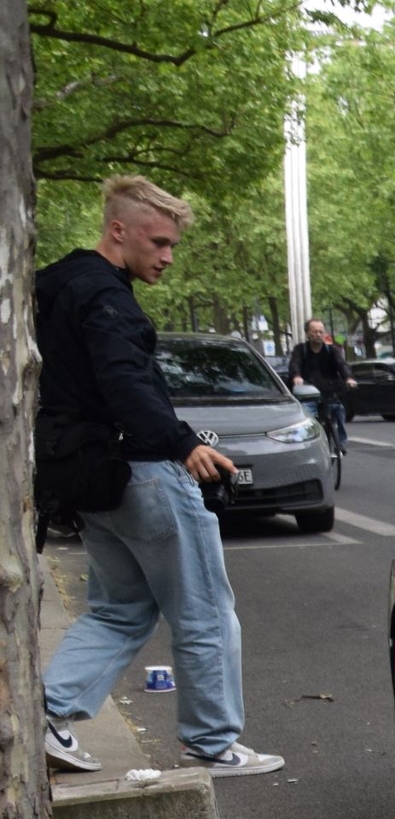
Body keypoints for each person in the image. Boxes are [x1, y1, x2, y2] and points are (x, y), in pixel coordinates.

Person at [33, 176, 283, 776]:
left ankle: (47, 712)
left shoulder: (49, 284)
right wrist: (182, 442)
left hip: (87, 477)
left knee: (121, 610)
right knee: (202, 610)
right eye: (160, 242)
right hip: (141, 470)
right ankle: (213, 742)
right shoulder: (108, 299)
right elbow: (125, 381)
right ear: (119, 230)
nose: (168, 257)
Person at [287, 318, 351, 453]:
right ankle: (304, 446)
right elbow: (295, 364)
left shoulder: (332, 350)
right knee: (306, 418)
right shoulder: (301, 350)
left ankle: (340, 443)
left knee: (339, 411)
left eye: (321, 331)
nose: (318, 334)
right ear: (307, 333)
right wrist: (297, 376)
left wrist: (348, 378)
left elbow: (341, 365)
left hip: (329, 391)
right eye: (314, 331)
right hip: (308, 394)